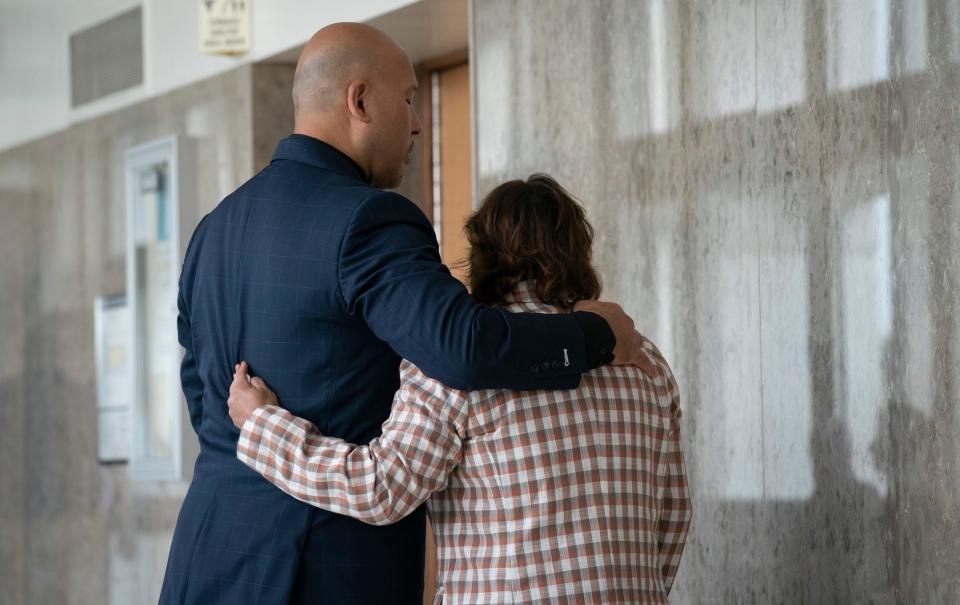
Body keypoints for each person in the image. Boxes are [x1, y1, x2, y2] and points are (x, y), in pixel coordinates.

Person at [159, 22, 650, 605]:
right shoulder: (369, 219)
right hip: (323, 571)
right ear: (359, 100)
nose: (417, 122)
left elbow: (202, 390)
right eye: (410, 99)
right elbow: (462, 346)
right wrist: (595, 335)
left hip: (206, 556)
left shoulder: (213, 228)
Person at [227, 174, 693, 605]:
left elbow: (380, 489)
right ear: (578, 250)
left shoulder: (451, 372)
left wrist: (263, 427)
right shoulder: (643, 361)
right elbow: (673, 515)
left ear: (485, 255)